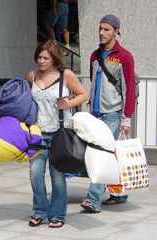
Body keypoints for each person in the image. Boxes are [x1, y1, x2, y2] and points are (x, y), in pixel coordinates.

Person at [25, 40, 88, 228]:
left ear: (54, 58)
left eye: (46, 58)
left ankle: (58, 215)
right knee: (35, 174)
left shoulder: (65, 75)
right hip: (37, 133)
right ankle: (40, 211)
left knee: (57, 177)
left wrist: (68, 103)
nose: (41, 61)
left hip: (59, 133)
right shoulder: (32, 75)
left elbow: (84, 94)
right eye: (39, 57)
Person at [80, 14, 136, 213]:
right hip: (95, 114)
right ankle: (119, 194)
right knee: (107, 155)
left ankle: (93, 200)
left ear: (116, 31)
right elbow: (93, 83)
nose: (102, 33)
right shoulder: (94, 55)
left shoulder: (124, 57)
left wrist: (126, 119)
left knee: (101, 156)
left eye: (106, 29)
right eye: (100, 29)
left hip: (112, 115)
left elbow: (129, 89)